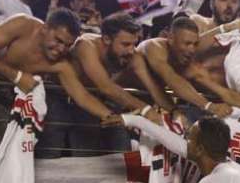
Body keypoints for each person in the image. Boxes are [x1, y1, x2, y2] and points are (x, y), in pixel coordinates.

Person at [0, 9, 116, 148]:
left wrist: (115, 117)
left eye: (67, 45)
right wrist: (16, 76)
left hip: (11, 100)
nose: (61, 49)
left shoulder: (60, 64)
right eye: (58, 40)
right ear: (45, 28)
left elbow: (82, 96)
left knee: (5, 156)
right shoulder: (22, 24)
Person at [38, 12, 169, 157]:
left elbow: (153, 88)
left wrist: (174, 112)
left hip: (92, 105)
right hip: (59, 100)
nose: (131, 50)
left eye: (134, 43)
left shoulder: (133, 56)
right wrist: (145, 110)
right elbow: (105, 86)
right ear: (106, 39)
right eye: (125, 44)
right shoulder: (86, 45)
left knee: (102, 153)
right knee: (50, 153)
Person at [138, 16, 240, 119]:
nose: (191, 50)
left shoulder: (188, 66)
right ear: (170, 39)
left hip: (144, 104)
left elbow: (226, 94)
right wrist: (209, 106)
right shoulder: (153, 47)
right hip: (124, 100)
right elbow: (171, 78)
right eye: (187, 43)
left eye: (195, 44)